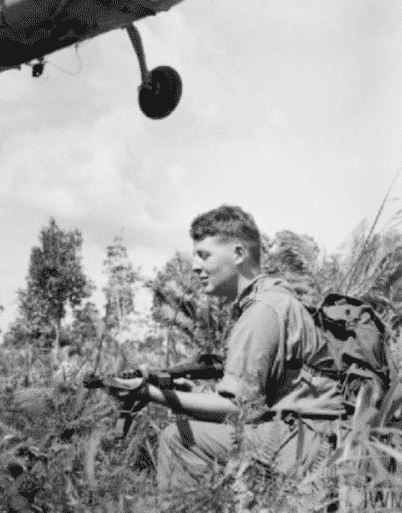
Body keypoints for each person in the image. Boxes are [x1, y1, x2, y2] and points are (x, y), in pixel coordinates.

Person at [125, 205, 342, 505]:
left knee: (177, 438)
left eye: (204, 255)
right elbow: (257, 396)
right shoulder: (273, 300)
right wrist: (188, 391)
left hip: (306, 444)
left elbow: (239, 409)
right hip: (308, 436)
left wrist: (149, 393)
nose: (194, 266)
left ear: (238, 254)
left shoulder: (263, 311)